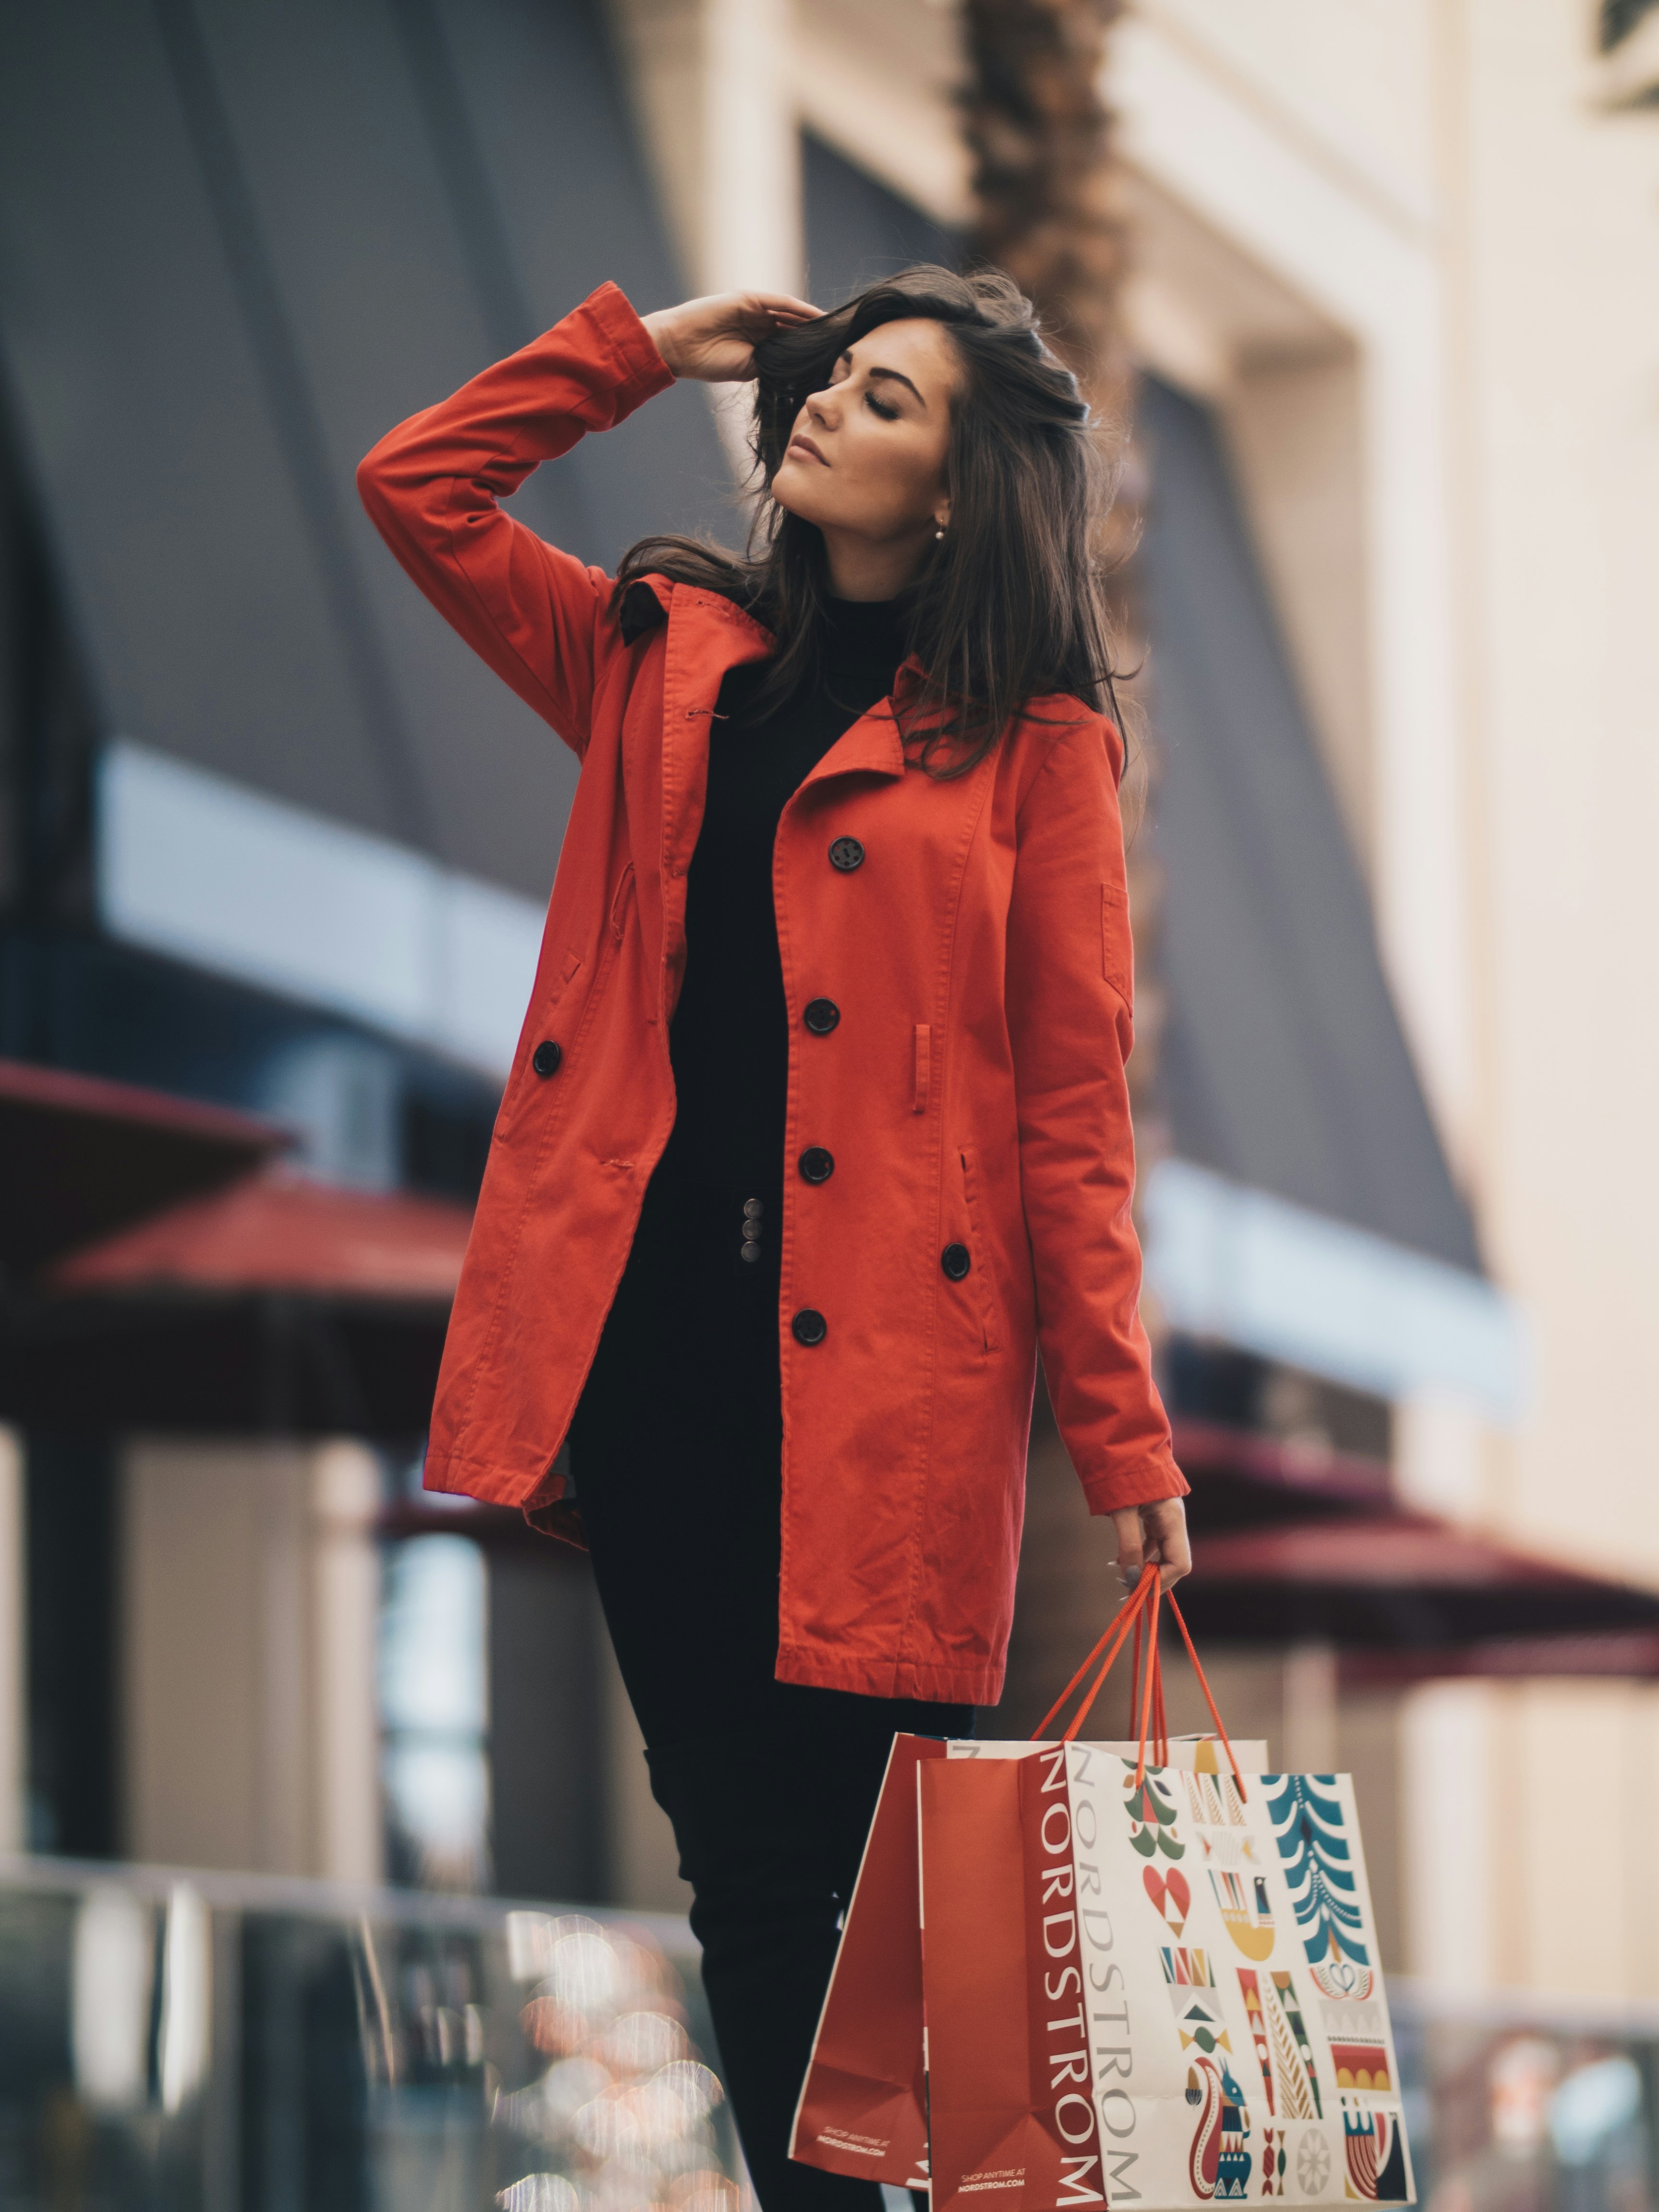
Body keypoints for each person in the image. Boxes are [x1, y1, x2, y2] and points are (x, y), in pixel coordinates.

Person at [359, 267, 1191, 2212]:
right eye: (834, 380)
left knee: (879, 1890)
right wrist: (647, 350)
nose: (826, 409)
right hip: (657, 1362)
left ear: (965, 490)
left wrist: (1126, 1440)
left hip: (902, 1391)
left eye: (883, 400)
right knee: (741, 1867)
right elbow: (421, 491)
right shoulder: (658, 658)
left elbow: (1074, 1120)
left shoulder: (1038, 751)